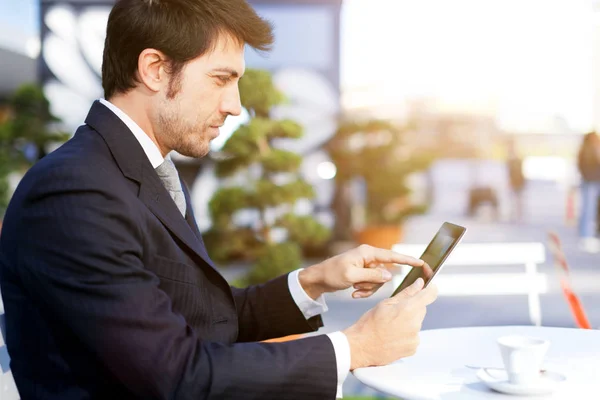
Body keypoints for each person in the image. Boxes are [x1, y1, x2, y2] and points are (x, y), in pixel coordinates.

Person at [0, 1, 438, 399]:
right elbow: (176, 374)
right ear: (154, 69)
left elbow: (205, 316)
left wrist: (316, 280)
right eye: (221, 79)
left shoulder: (144, 171)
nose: (235, 106)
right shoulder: (75, 191)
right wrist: (356, 347)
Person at [577, 131, 600, 253]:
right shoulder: (589, 150)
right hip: (591, 182)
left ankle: (587, 235)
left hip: (592, 181)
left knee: (589, 210)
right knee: (588, 210)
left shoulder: (586, 149)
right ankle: (586, 237)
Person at [506, 138, 526, 222]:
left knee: (517, 200)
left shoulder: (515, 160)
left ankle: (518, 216)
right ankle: (514, 216)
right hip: (515, 182)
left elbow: (520, 171)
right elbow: (509, 172)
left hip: (518, 182)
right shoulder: (510, 160)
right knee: (514, 200)